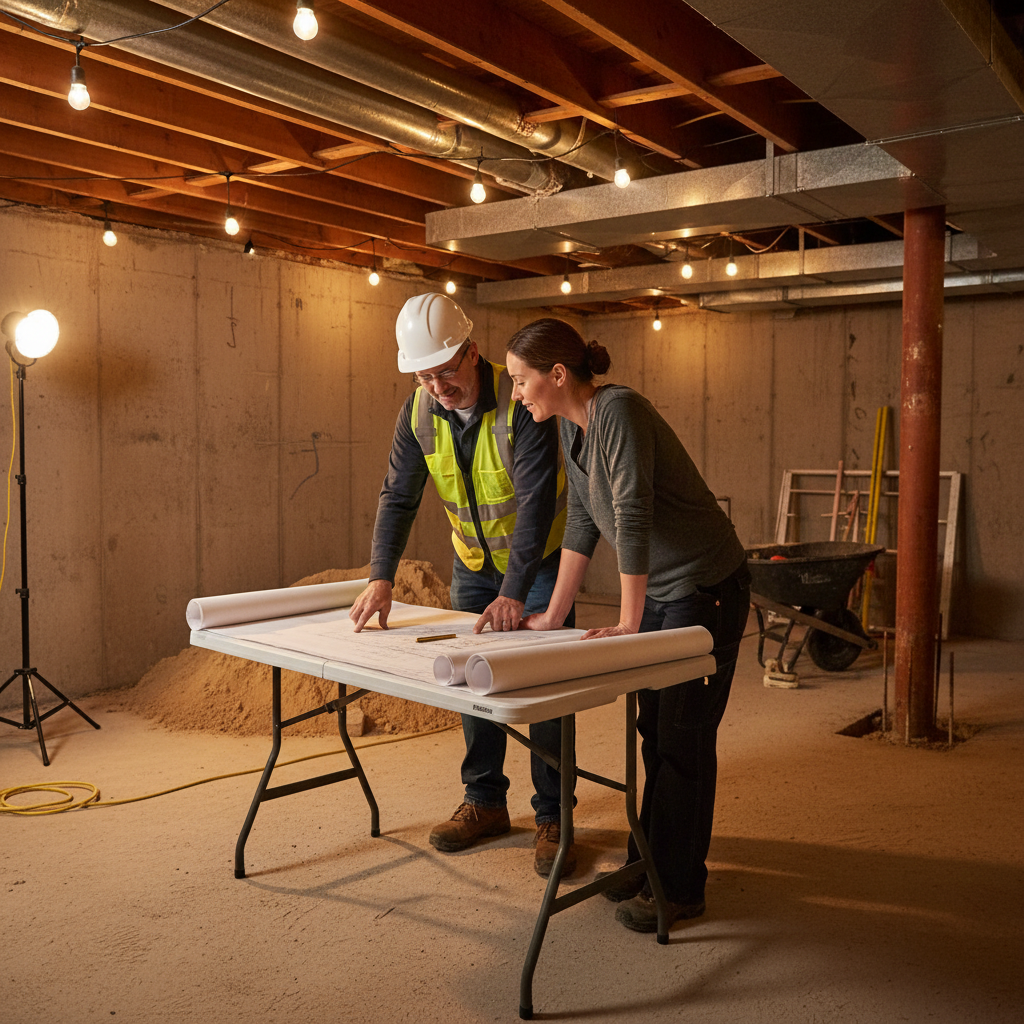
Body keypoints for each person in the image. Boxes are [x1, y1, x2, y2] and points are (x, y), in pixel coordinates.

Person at [505, 317, 750, 932]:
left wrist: (627, 623)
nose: (516, 393)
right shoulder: (572, 425)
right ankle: (651, 862)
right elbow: (585, 522)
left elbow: (632, 515)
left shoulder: (618, 412)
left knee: (682, 738)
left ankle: (681, 888)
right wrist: (553, 616)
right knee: (653, 730)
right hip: (667, 593)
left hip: (704, 587)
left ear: (558, 375)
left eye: (520, 380)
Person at [349, 294, 576, 877]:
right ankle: (485, 802)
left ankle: (554, 815)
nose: (438, 385)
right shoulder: (417, 412)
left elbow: (534, 503)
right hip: (473, 566)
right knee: (471, 686)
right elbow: (398, 496)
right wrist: (381, 578)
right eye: (425, 375)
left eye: (446, 370)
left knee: (546, 690)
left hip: (540, 564)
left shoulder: (523, 400)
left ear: (472, 353)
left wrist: (517, 589)